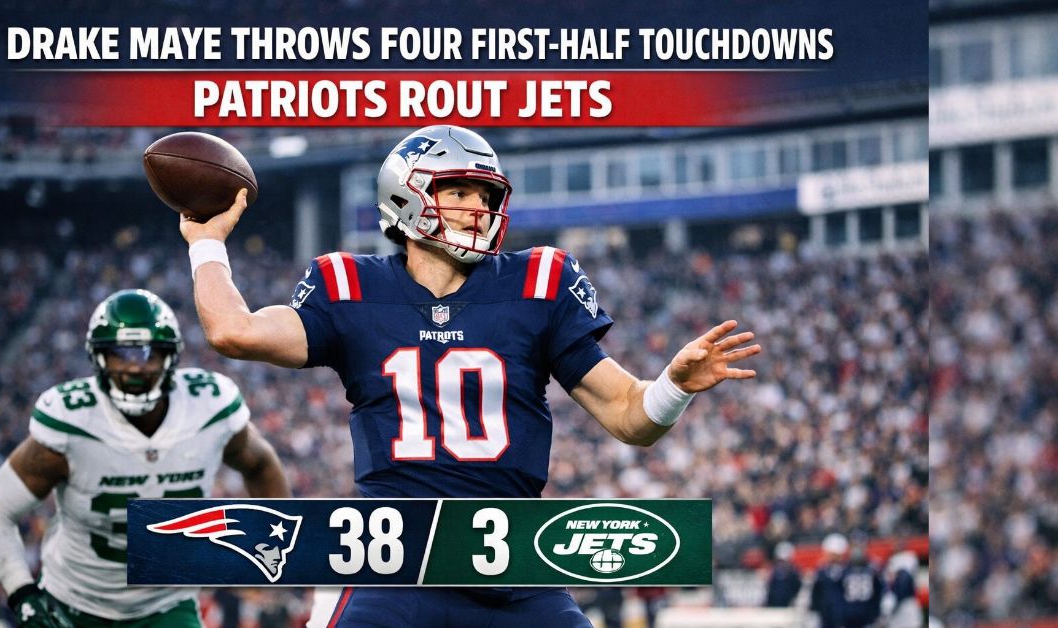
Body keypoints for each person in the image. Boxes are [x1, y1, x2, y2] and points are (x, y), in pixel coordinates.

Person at [179, 125, 762, 627]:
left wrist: (673, 387)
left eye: (484, 194)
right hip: (394, 560)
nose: (475, 207)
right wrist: (207, 245)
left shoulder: (540, 282)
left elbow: (630, 417)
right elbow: (234, 331)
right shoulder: (350, 287)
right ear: (404, 201)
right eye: (456, 191)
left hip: (511, 557)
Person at [0, 289, 290, 627]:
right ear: (99, 357)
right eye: (120, 353)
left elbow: (262, 465)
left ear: (171, 357)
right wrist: (22, 593)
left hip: (165, 605)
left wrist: (274, 545)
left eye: (149, 353)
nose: (135, 367)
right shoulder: (72, 421)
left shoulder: (209, 408)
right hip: (72, 604)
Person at [811, 534, 886, 628]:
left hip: (847, 615)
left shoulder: (841, 571)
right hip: (864, 615)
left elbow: (835, 596)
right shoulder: (872, 568)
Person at [765, 541, 802, 607]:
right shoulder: (774, 571)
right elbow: (770, 587)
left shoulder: (794, 572)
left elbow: (796, 587)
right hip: (774, 602)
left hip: (788, 602)